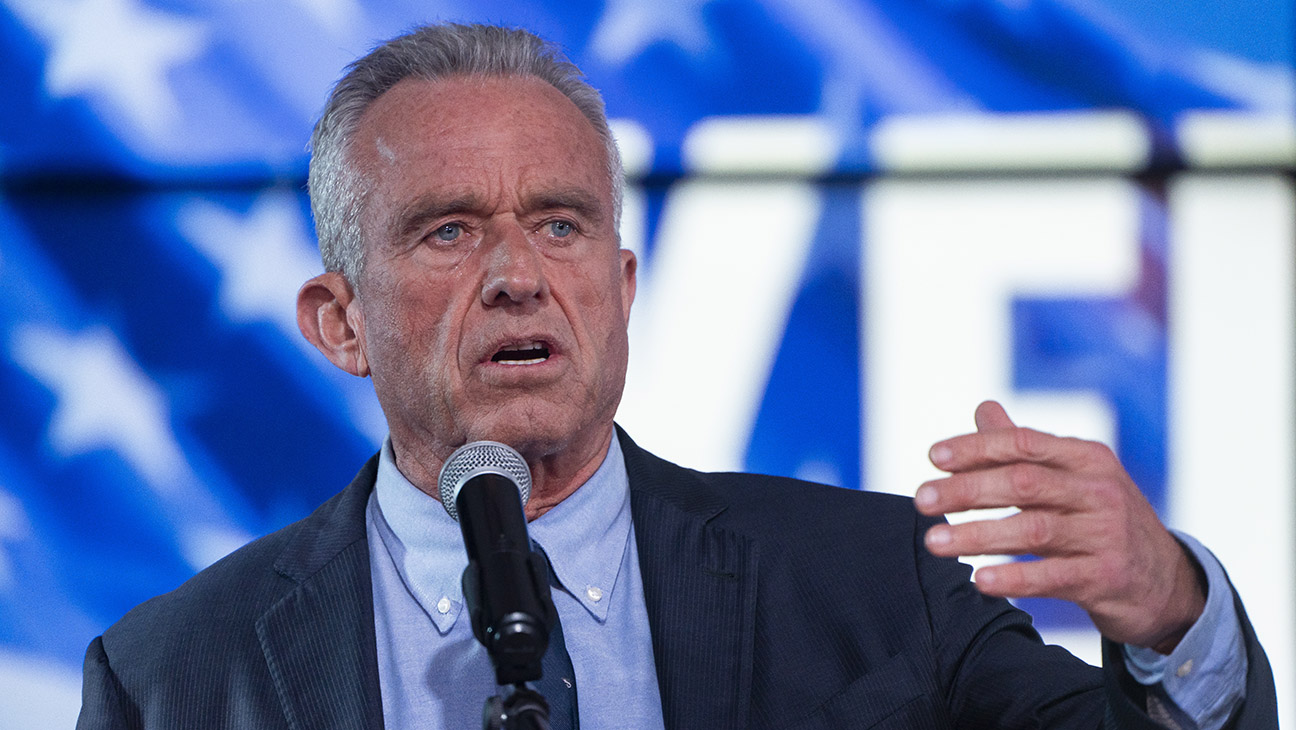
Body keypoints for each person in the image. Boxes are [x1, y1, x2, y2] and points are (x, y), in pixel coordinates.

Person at [77, 22, 1276, 730]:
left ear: (623, 284)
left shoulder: (877, 590)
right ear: (339, 322)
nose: (516, 276)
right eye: (447, 231)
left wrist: (1173, 606)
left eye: (559, 225)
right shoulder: (177, 676)